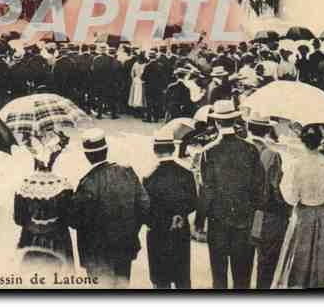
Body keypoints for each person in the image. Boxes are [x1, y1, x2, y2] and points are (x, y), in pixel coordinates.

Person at [70, 129, 150, 288]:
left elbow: (75, 220)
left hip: (96, 253)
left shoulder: (87, 183)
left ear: (87, 155)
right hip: (124, 247)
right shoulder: (127, 171)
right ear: (106, 150)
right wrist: (131, 230)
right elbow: (144, 205)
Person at [201, 100, 264, 289]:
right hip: (244, 222)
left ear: (217, 123)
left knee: (219, 277)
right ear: (235, 120)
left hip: (218, 222)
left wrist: (199, 222)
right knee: (242, 277)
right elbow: (259, 188)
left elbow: (206, 191)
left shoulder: (209, 152)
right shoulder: (251, 149)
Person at [273, 125, 324, 289]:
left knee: (298, 255)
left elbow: (290, 196)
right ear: (321, 142)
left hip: (303, 214)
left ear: (302, 141)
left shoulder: (295, 164)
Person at [142, 128, 197, 289]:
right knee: (182, 279)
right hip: (180, 232)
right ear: (173, 149)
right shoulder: (186, 173)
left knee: (160, 281)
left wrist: (163, 220)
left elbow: (145, 210)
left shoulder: (148, 177)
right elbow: (193, 202)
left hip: (158, 234)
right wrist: (179, 215)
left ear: (155, 150)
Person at [14, 133, 75, 269]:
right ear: (53, 160)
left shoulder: (24, 187)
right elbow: (69, 217)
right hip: (58, 241)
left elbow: (18, 219)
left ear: (35, 160)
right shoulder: (64, 186)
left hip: (31, 240)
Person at [246, 117, 290, 290]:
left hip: (240, 216)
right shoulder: (271, 155)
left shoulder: (240, 149)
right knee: (265, 266)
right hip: (265, 218)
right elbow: (276, 188)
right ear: (266, 131)